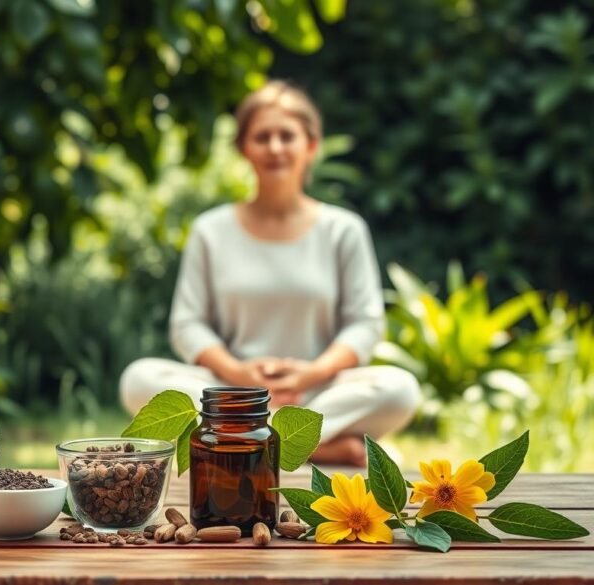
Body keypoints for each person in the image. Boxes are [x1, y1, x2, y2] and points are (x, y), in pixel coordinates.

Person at [119, 80, 421, 467]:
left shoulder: (343, 230)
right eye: (263, 137)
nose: (275, 147)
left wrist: (311, 373)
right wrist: (240, 373)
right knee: (139, 379)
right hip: (230, 394)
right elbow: (187, 324)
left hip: (316, 394)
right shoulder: (210, 230)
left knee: (400, 389)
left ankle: (243, 443)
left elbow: (365, 324)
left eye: (287, 136)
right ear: (245, 148)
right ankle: (312, 448)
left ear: (310, 146)